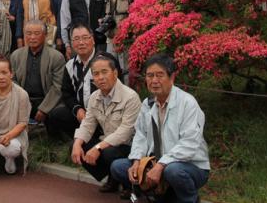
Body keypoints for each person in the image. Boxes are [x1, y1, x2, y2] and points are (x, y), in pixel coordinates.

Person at [110, 54, 210, 202]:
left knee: (173, 171)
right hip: (155, 162)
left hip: (190, 166)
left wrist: (161, 165)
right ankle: (159, 193)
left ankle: (190, 198)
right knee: (118, 167)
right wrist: (137, 161)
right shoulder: (148, 104)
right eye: (150, 75)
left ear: (172, 77)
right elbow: (140, 136)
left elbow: (189, 143)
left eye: (160, 75)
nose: (154, 80)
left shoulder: (187, 103)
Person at [71, 52, 141, 192]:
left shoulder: (130, 97)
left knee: (108, 152)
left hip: (130, 146)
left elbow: (125, 133)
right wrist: (76, 144)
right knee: (79, 147)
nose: (100, 77)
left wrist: (98, 148)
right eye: (96, 74)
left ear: (115, 73)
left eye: (104, 72)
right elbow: (87, 124)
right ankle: (113, 176)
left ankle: (129, 184)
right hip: (109, 143)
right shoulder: (94, 97)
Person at [10, 20, 65, 135]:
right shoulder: (16, 55)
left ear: (45, 35)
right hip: (23, 99)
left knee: (57, 113)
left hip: (46, 99)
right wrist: (23, 101)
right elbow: (13, 81)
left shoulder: (56, 57)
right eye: (28, 33)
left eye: (36, 33)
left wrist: (44, 108)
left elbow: (57, 86)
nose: (32, 37)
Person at [48, 23, 97, 139]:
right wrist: (77, 109)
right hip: (81, 114)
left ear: (93, 40)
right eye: (76, 39)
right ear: (71, 43)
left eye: (85, 38)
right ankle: (74, 138)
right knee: (55, 115)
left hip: (102, 115)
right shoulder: (70, 65)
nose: (81, 42)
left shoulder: (105, 61)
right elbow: (66, 93)